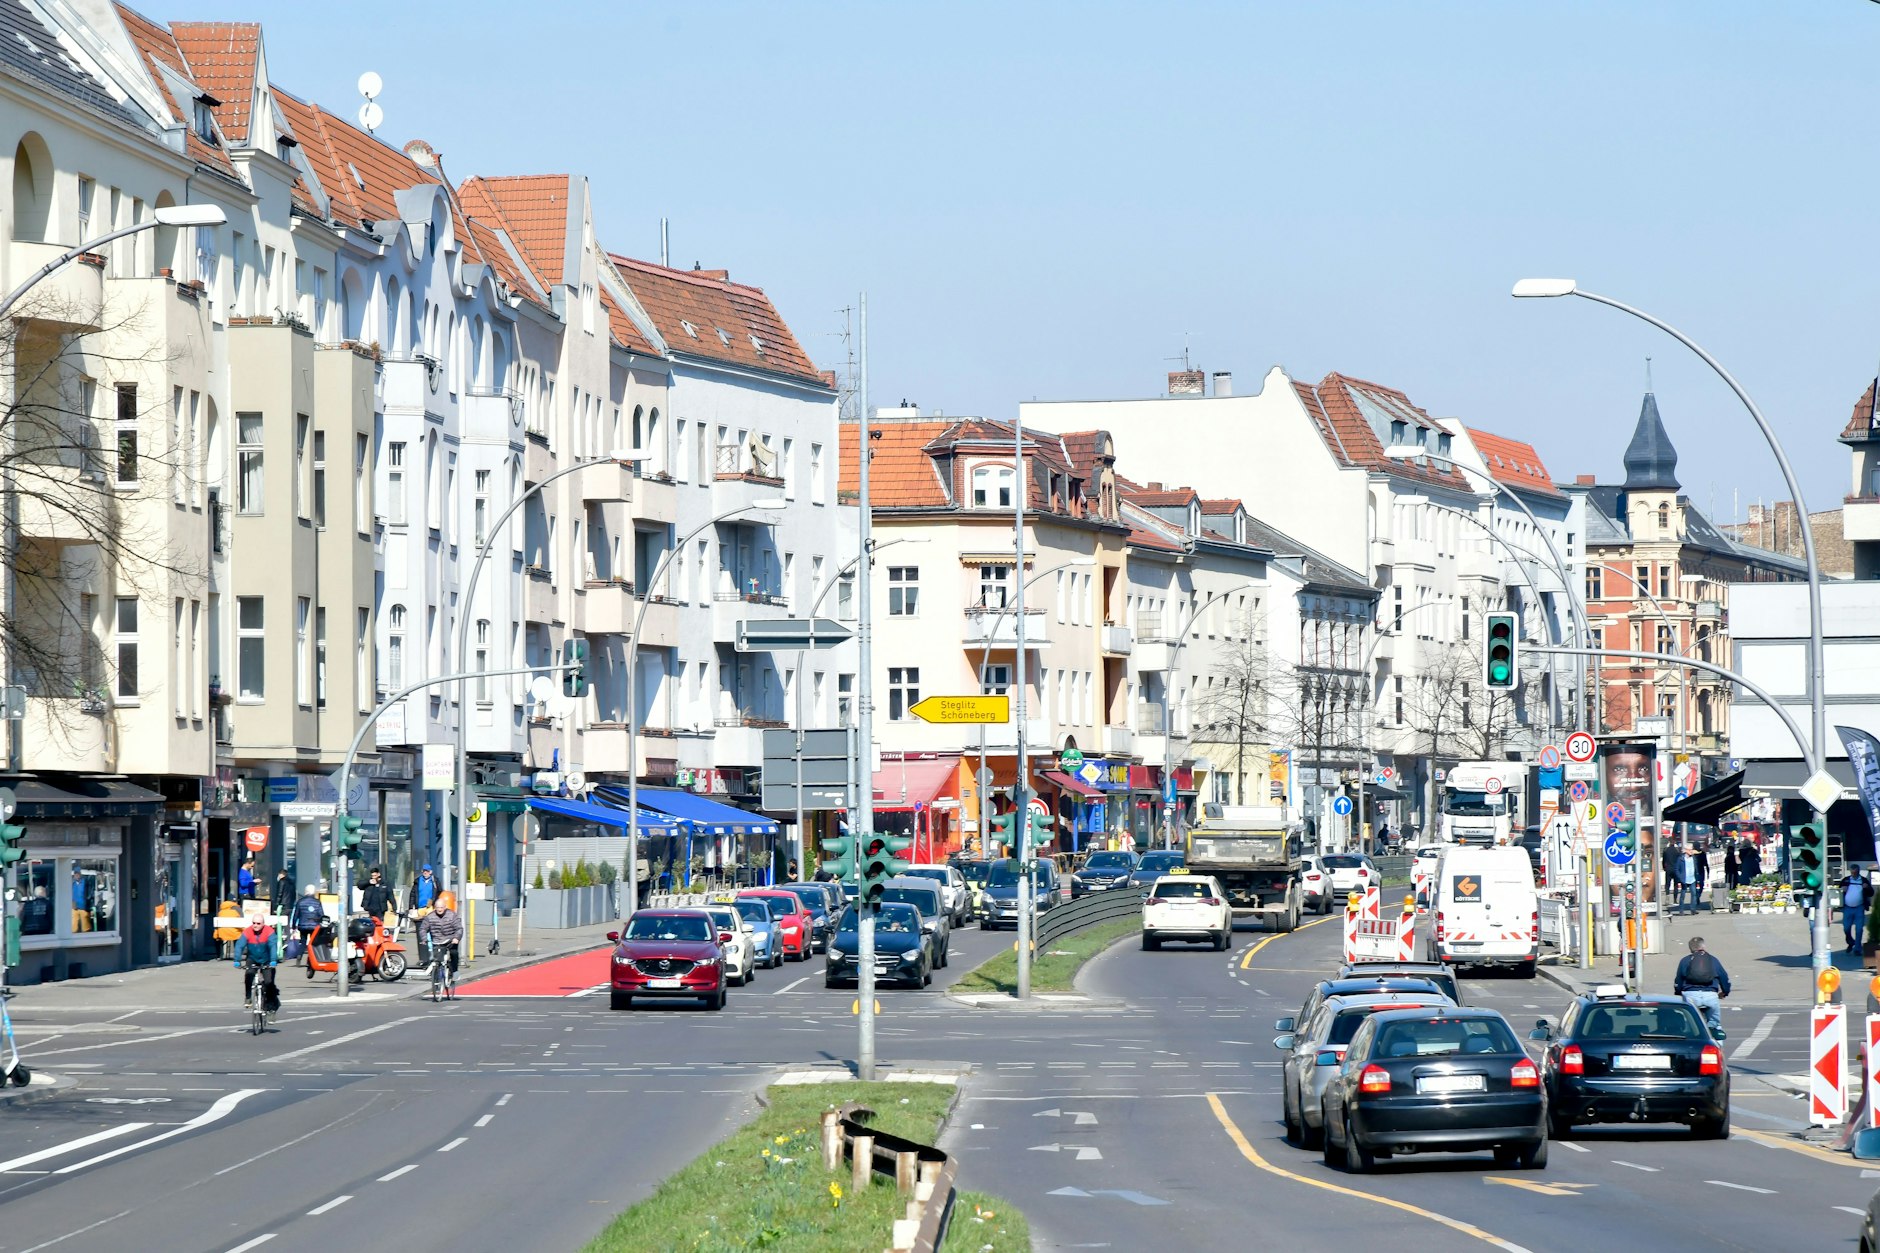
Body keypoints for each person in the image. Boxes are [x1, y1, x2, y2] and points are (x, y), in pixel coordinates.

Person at [1673, 935, 1730, 1037]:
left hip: (1691, 996)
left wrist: (1678, 993)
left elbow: (1678, 981)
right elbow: (1724, 978)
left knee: (1689, 1023)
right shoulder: (1713, 960)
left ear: (1690, 949)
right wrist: (1724, 992)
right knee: (1715, 1024)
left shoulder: (1685, 961)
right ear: (1703, 946)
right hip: (1710, 996)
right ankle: (1717, 1043)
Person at [233, 913, 280, 1015]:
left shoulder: (269, 932)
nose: (255, 925)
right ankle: (248, 997)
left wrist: (273, 960)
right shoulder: (247, 932)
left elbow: (273, 946)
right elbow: (239, 946)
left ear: (263, 924)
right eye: (254, 923)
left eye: (258, 923)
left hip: (267, 960)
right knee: (249, 975)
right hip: (252, 958)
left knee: (269, 983)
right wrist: (237, 960)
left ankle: (271, 1009)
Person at [418, 890, 464, 982]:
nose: (439, 910)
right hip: (437, 940)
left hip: (450, 940)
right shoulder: (430, 917)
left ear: (445, 907)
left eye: (441, 907)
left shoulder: (452, 915)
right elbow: (423, 929)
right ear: (435, 907)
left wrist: (456, 938)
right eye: (438, 907)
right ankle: (437, 978)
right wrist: (424, 939)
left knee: (454, 953)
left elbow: (459, 928)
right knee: (437, 959)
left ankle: (454, 971)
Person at [290, 884, 325, 977]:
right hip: (314, 926)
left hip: (303, 925)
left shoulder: (300, 902)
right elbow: (321, 915)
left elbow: (296, 915)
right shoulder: (317, 902)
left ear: (306, 892)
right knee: (314, 944)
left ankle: (299, 957)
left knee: (303, 941)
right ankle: (312, 960)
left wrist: (293, 926)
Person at [1673, 845, 1703, 916]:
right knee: (1683, 895)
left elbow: (1696, 867)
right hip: (1684, 880)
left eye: (1691, 850)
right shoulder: (1681, 859)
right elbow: (1676, 869)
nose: (1691, 851)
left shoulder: (1693, 858)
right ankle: (1681, 910)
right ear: (1686, 850)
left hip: (1692, 879)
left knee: (1694, 894)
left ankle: (1693, 909)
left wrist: (1697, 876)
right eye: (1690, 850)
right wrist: (1680, 878)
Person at [1843, 873, 1869, 951]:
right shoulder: (1846, 879)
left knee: (1859, 929)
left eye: (1855, 872)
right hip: (1847, 907)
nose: (1853, 874)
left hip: (1859, 907)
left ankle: (1857, 948)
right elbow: (1838, 890)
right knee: (1846, 928)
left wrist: (1867, 887)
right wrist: (1842, 889)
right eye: (1852, 872)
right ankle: (1851, 942)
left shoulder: (1863, 880)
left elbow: (1871, 893)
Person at [70, 865, 92, 932]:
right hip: (74, 907)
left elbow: (90, 894)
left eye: (78, 873)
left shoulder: (85, 883)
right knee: (73, 927)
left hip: (84, 907)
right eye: (75, 874)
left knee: (86, 927)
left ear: (80, 874)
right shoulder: (71, 883)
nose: (77, 875)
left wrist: (89, 905)